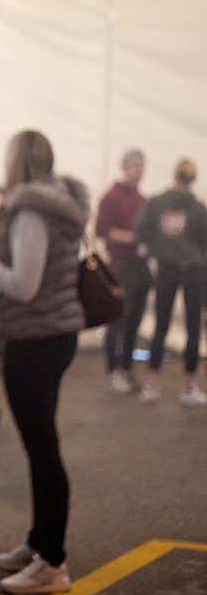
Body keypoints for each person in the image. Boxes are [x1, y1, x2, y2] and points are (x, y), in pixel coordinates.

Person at [0, 129, 88, 595]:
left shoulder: (31, 210)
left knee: (43, 449)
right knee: (42, 446)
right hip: (57, 333)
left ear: (17, 161)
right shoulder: (61, 202)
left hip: (34, 338)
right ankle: (40, 541)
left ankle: (51, 562)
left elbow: (23, 285)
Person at [134, 158, 207, 406]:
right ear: (193, 178)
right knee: (193, 330)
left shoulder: (156, 203)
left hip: (167, 269)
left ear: (174, 175)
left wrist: (153, 249)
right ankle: (188, 387)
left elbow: (140, 231)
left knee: (160, 327)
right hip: (194, 271)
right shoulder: (199, 209)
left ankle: (152, 384)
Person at [95, 149, 151, 392]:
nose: (140, 170)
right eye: (136, 165)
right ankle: (113, 371)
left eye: (142, 165)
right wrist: (132, 238)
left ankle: (127, 368)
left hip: (140, 267)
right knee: (117, 320)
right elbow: (102, 230)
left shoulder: (142, 200)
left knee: (134, 321)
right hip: (120, 267)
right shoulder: (111, 197)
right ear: (125, 167)